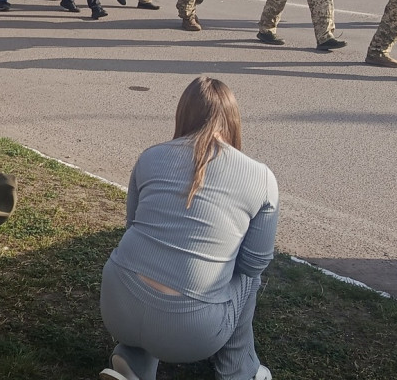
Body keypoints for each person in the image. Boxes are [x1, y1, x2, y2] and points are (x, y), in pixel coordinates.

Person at [99, 77, 276, 380]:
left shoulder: (149, 157)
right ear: (233, 120)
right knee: (248, 278)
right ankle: (239, 371)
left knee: (151, 255)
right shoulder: (261, 177)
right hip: (191, 333)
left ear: (182, 114)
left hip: (116, 307)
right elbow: (253, 264)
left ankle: (134, 362)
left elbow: (132, 225)